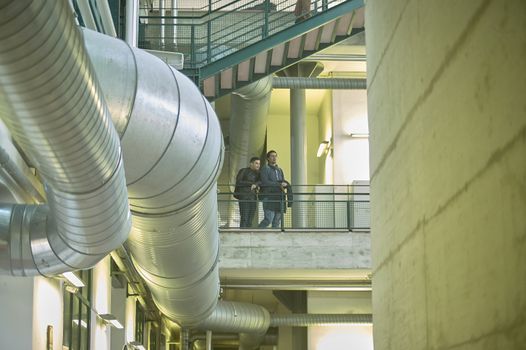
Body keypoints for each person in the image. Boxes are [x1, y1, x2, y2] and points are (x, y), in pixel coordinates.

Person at [258, 150, 290, 228]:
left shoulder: (279, 170)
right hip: (269, 197)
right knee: (268, 219)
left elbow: (282, 181)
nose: (274, 158)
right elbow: (265, 182)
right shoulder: (265, 168)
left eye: (275, 156)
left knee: (276, 221)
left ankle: (275, 239)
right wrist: (279, 184)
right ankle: (257, 233)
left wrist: (286, 185)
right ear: (268, 158)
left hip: (279, 197)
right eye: (272, 156)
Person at [234, 157, 261, 228]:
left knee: (250, 219)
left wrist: (256, 184)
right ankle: (242, 235)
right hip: (244, 197)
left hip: (253, 197)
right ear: (251, 164)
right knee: (244, 218)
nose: (258, 165)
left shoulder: (258, 173)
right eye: (256, 163)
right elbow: (239, 182)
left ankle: (248, 235)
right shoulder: (243, 171)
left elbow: (260, 181)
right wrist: (251, 184)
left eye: (259, 164)